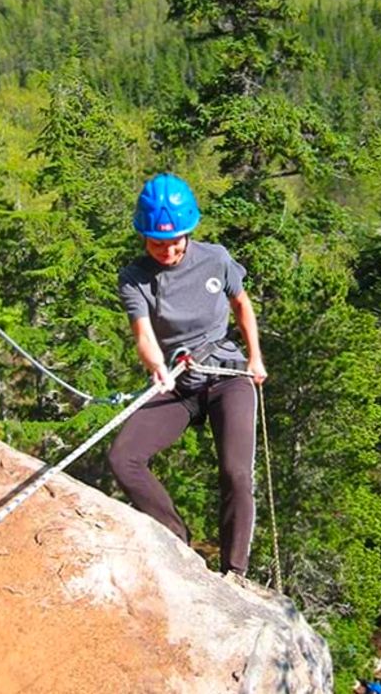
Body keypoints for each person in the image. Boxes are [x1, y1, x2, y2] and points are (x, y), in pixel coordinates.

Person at [107, 173, 267, 576]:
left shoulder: (215, 258)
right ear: (143, 236)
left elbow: (242, 306)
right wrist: (156, 365)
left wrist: (255, 358)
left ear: (189, 232)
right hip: (176, 380)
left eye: (175, 240)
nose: (167, 249)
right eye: (157, 242)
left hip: (226, 374)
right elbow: (143, 333)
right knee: (124, 458)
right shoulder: (135, 277)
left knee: (235, 471)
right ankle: (177, 539)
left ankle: (235, 572)